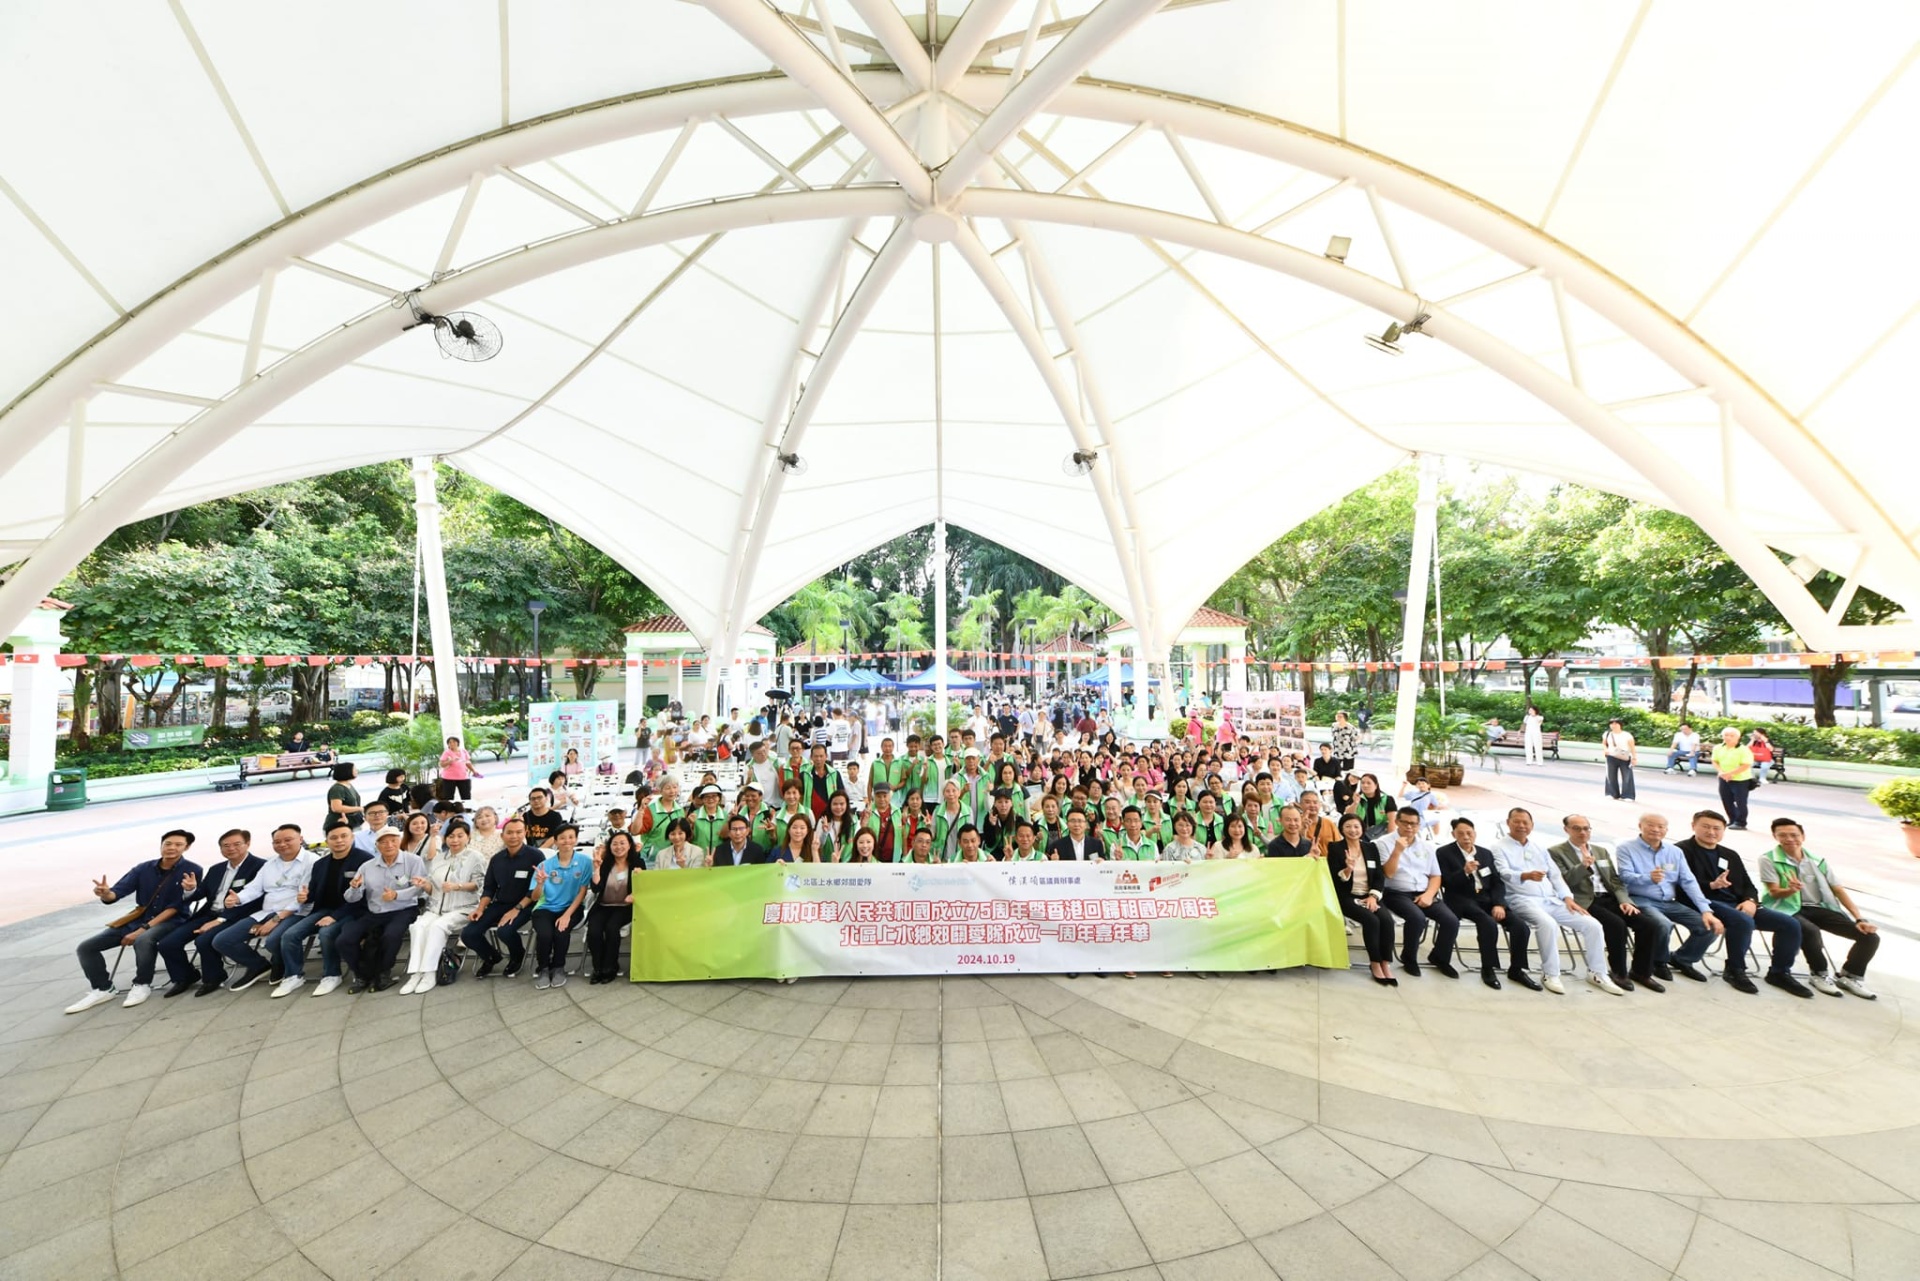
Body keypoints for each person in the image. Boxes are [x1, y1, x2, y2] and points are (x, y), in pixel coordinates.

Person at [66, 829, 203, 1013]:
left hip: (172, 920)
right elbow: (116, 893)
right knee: (86, 947)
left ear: (186, 847)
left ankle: (142, 984)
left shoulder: (193, 870)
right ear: (161, 845)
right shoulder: (143, 868)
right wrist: (106, 894)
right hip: (139, 918)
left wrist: (141, 930)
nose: (172, 848)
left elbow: (175, 907)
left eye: (178, 844)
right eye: (168, 843)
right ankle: (102, 988)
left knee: (143, 939)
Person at [1676, 810, 1810, 997]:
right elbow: (1678, 884)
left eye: (1717, 828)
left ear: (1723, 830)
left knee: (1790, 924)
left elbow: (1748, 884)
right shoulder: (1680, 851)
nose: (1711, 832)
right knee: (1742, 921)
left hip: (1736, 903)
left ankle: (1779, 973)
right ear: (1693, 826)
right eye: (1705, 827)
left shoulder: (1729, 854)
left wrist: (1750, 901)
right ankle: (1735, 969)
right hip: (1702, 902)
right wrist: (1712, 885)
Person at [1494, 808, 1624, 996]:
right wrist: (1525, 875)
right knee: (1548, 924)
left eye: (1525, 822)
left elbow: (1555, 876)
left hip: (1551, 899)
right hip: (1521, 898)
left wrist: (1568, 898)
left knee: (1592, 924)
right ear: (1508, 823)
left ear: (1532, 825)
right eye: (1517, 821)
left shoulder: (1538, 848)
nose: (1521, 826)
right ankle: (1551, 974)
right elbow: (1503, 872)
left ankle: (1598, 973)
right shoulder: (1499, 847)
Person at [1758, 818, 1878, 999]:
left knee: (1869, 937)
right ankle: (1819, 974)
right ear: (1775, 837)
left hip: (1818, 907)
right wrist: (1790, 890)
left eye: (1794, 835)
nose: (1789, 839)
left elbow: (1838, 889)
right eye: (1782, 835)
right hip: (1786, 908)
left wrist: (1859, 918)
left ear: (1803, 836)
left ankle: (1849, 976)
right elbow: (1774, 892)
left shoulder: (1817, 861)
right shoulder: (1768, 859)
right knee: (1810, 930)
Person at [1548, 814, 1663, 993]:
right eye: (1576, 828)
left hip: (1609, 897)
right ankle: (1618, 973)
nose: (1582, 832)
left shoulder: (1600, 851)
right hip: (1584, 900)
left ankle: (1641, 972)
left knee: (1649, 925)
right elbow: (1562, 882)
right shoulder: (1556, 852)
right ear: (1566, 830)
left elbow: (1614, 880)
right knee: (1616, 925)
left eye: (1586, 828)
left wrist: (1624, 900)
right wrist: (1583, 867)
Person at [1614, 812, 1725, 983]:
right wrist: (1648, 878)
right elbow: (1624, 876)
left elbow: (1688, 881)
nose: (1656, 829)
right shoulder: (1626, 848)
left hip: (1669, 902)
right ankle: (1659, 962)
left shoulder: (1674, 851)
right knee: (1663, 924)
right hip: (1640, 899)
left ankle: (1682, 959)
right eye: (1651, 825)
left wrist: (1706, 910)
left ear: (1666, 830)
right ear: (1640, 826)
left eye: (1661, 826)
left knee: (1708, 926)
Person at [155, 828, 264, 999]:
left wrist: (220, 920)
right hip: (209, 913)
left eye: (237, 844)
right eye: (225, 845)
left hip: (238, 915)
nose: (231, 848)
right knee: (167, 943)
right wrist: (190, 889)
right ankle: (185, 977)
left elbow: (256, 900)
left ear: (247, 844)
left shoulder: (260, 866)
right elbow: (202, 893)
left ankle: (214, 978)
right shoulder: (216, 869)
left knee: (204, 940)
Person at [214, 825, 316, 998]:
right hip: (266, 911)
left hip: (294, 912)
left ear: (300, 839)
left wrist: (275, 920)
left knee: (273, 941)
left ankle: (288, 969)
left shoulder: (311, 861)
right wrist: (237, 898)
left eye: (287, 840)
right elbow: (254, 888)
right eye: (277, 842)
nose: (282, 845)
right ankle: (259, 965)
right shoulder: (270, 864)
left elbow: (302, 899)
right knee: (222, 940)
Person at [274, 821, 373, 997]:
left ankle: (332, 975)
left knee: (326, 933)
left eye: (344, 836)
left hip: (353, 910)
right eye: (333, 837)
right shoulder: (320, 864)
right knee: (290, 935)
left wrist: (335, 917)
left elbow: (364, 897)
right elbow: (314, 892)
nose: (339, 840)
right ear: (327, 841)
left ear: (352, 838)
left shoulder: (364, 860)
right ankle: (293, 976)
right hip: (324, 909)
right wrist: (305, 897)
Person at [1435, 817, 1527, 989]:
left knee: (1520, 926)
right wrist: (1464, 872)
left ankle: (1517, 969)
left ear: (1475, 833)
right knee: (1488, 923)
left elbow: (1497, 882)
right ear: (1453, 834)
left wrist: (1499, 904)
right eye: (1461, 834)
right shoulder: (1444, 853)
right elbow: (1445, 882)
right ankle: (1488, 968)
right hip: (1461, 898)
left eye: (1469, 833)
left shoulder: (1485, 853)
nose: (1466, 837)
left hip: (1486, 898)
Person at [337, 828, 428, 993]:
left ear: (399, 841)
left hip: (404, 909)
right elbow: (351, 898)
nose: (389, 845)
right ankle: (362, 975)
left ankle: (383, 973)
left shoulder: (413, 861)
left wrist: (396, 895)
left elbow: (420, 888)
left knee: (391, 935)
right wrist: (354, 888)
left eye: (393, 840)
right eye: (384, 842)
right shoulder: (367, 867)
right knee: (345, 939)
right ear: (377, 845)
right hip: (375, 913)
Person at [401, 819, 486, 995]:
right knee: (418, 926)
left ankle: (430, 973)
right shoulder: (439, 858)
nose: (455, 840)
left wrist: (458, 886)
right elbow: (433, 888)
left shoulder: (475, 857)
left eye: (460, 836)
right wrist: (424, 884)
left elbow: (479, 884)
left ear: (468, 837)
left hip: (463, 907)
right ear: (445, 838)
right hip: (436, 907)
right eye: (451, 836)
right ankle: (416, 974)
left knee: (437, 927)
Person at [1375, 807, 1460, 979]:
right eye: (1405, 823)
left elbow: (1435, 875)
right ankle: (1409, 958)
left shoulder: (1427, 847)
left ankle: (1440, 957)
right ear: (1397, 822)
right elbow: (1388, 873)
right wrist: (1397, 851)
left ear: (1419, 825)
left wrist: (1429, 894)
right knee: (1416, 917)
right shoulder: (1383, 843)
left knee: (1451, 920)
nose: (1409, 827)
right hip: (1396, 892)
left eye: (1413, 824)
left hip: (1424, 891)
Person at [462, 818, 543, 979]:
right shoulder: (497, 859)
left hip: (527, 904)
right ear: (502, 836)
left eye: (519, 832)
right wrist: (480, 909)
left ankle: (517, 955)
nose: (514, 836)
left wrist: (516, 909)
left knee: (505, 931)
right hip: (500, 903)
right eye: (510, 832)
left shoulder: (535, 856)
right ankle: (491, 957)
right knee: (469, 934)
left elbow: (536, 889)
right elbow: (489, 888)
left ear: (525, 833)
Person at [1328, 814, 1395, 985]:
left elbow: (1379, 876)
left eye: (1356, 826)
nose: (1353, 830)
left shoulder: (1371, 847)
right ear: (1342, 829)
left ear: (1362, 828)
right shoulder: (1335, 848)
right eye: (1348, 826)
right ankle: (1375, 962)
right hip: (1347, 896)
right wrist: (1348, 869)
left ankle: (1385, 963)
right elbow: (1334, 880)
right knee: (1371, 921)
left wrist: (1373, 896)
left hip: (1370, 895)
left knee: (1387, 920)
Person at [530, 825, 594, 989]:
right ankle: (544, 968)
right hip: (545, 908)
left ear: (576, 839)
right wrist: (540, 884)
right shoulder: (545, 865)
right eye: (562, 838)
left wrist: (567, 915)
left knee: (561, 932)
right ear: (556, 841)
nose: (567, 841)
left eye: (571, 837)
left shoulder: (585, 862)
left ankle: (558, 967)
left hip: (572, 907)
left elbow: (582, 892)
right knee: (545, 934)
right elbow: (534, 897)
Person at [1710, 726, 1755, 830]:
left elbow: (1746, 764)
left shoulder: (1744, 750)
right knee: (1726, 800)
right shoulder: (1718, 748)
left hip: (1740, 779)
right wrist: (1721, 772)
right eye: (1726, 735)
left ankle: (1741, 822)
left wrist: (1731, 774)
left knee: (1740, 802)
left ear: (1738, 737)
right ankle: (1732, 819)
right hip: (1723, 778)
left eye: (1732, 735)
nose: (1728, 737)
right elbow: (1714, 761)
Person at [1602, 718, 1637, 801]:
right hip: (1611, 756)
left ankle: (1628, 795)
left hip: (1624, 757)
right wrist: (1605, 750)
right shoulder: (1607, 734)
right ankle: (1612, 793)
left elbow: (1632, 747)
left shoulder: (1627, 735)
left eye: (1616, 724)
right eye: (1611, 724)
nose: (1613, 726)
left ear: (1620, 725)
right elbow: (1604, 743)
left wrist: (1634, 757)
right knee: (1610, 775)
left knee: (1627, 776)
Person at [326, 762, 364, 829]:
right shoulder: (337, 789)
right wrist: (359, 808)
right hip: (340, 825)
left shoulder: (348, 785)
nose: (357, 771)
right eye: (354, 769)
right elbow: (336, 808)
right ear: (347, 772)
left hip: (353, 822)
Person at [439, 736, 476, 801]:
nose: (452, 744)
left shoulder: (463, 751)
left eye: (454, 742)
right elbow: (441, 764)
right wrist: (450, 761)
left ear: (458, 743)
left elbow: (468, 762)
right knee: (448, 797)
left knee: (466, 796)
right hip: (449, 778)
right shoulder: (446, 752)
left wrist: (474, 771)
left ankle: (467, 807)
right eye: (450, 742)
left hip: (463, 777)